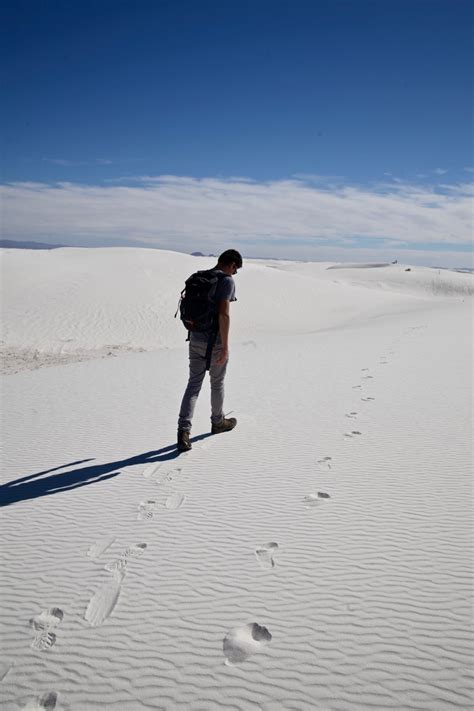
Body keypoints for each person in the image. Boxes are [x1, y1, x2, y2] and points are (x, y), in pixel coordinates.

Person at [177, 249, 243, 452]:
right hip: (214, 342)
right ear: (231, 264)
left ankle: (183, 431)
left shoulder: (201, 277)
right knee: (217, 382)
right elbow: (224, 315)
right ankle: (217, 422)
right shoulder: (226, 281)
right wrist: (225, 345)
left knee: (193, 384)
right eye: (236, 269)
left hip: (195, 338)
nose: (235, 273)